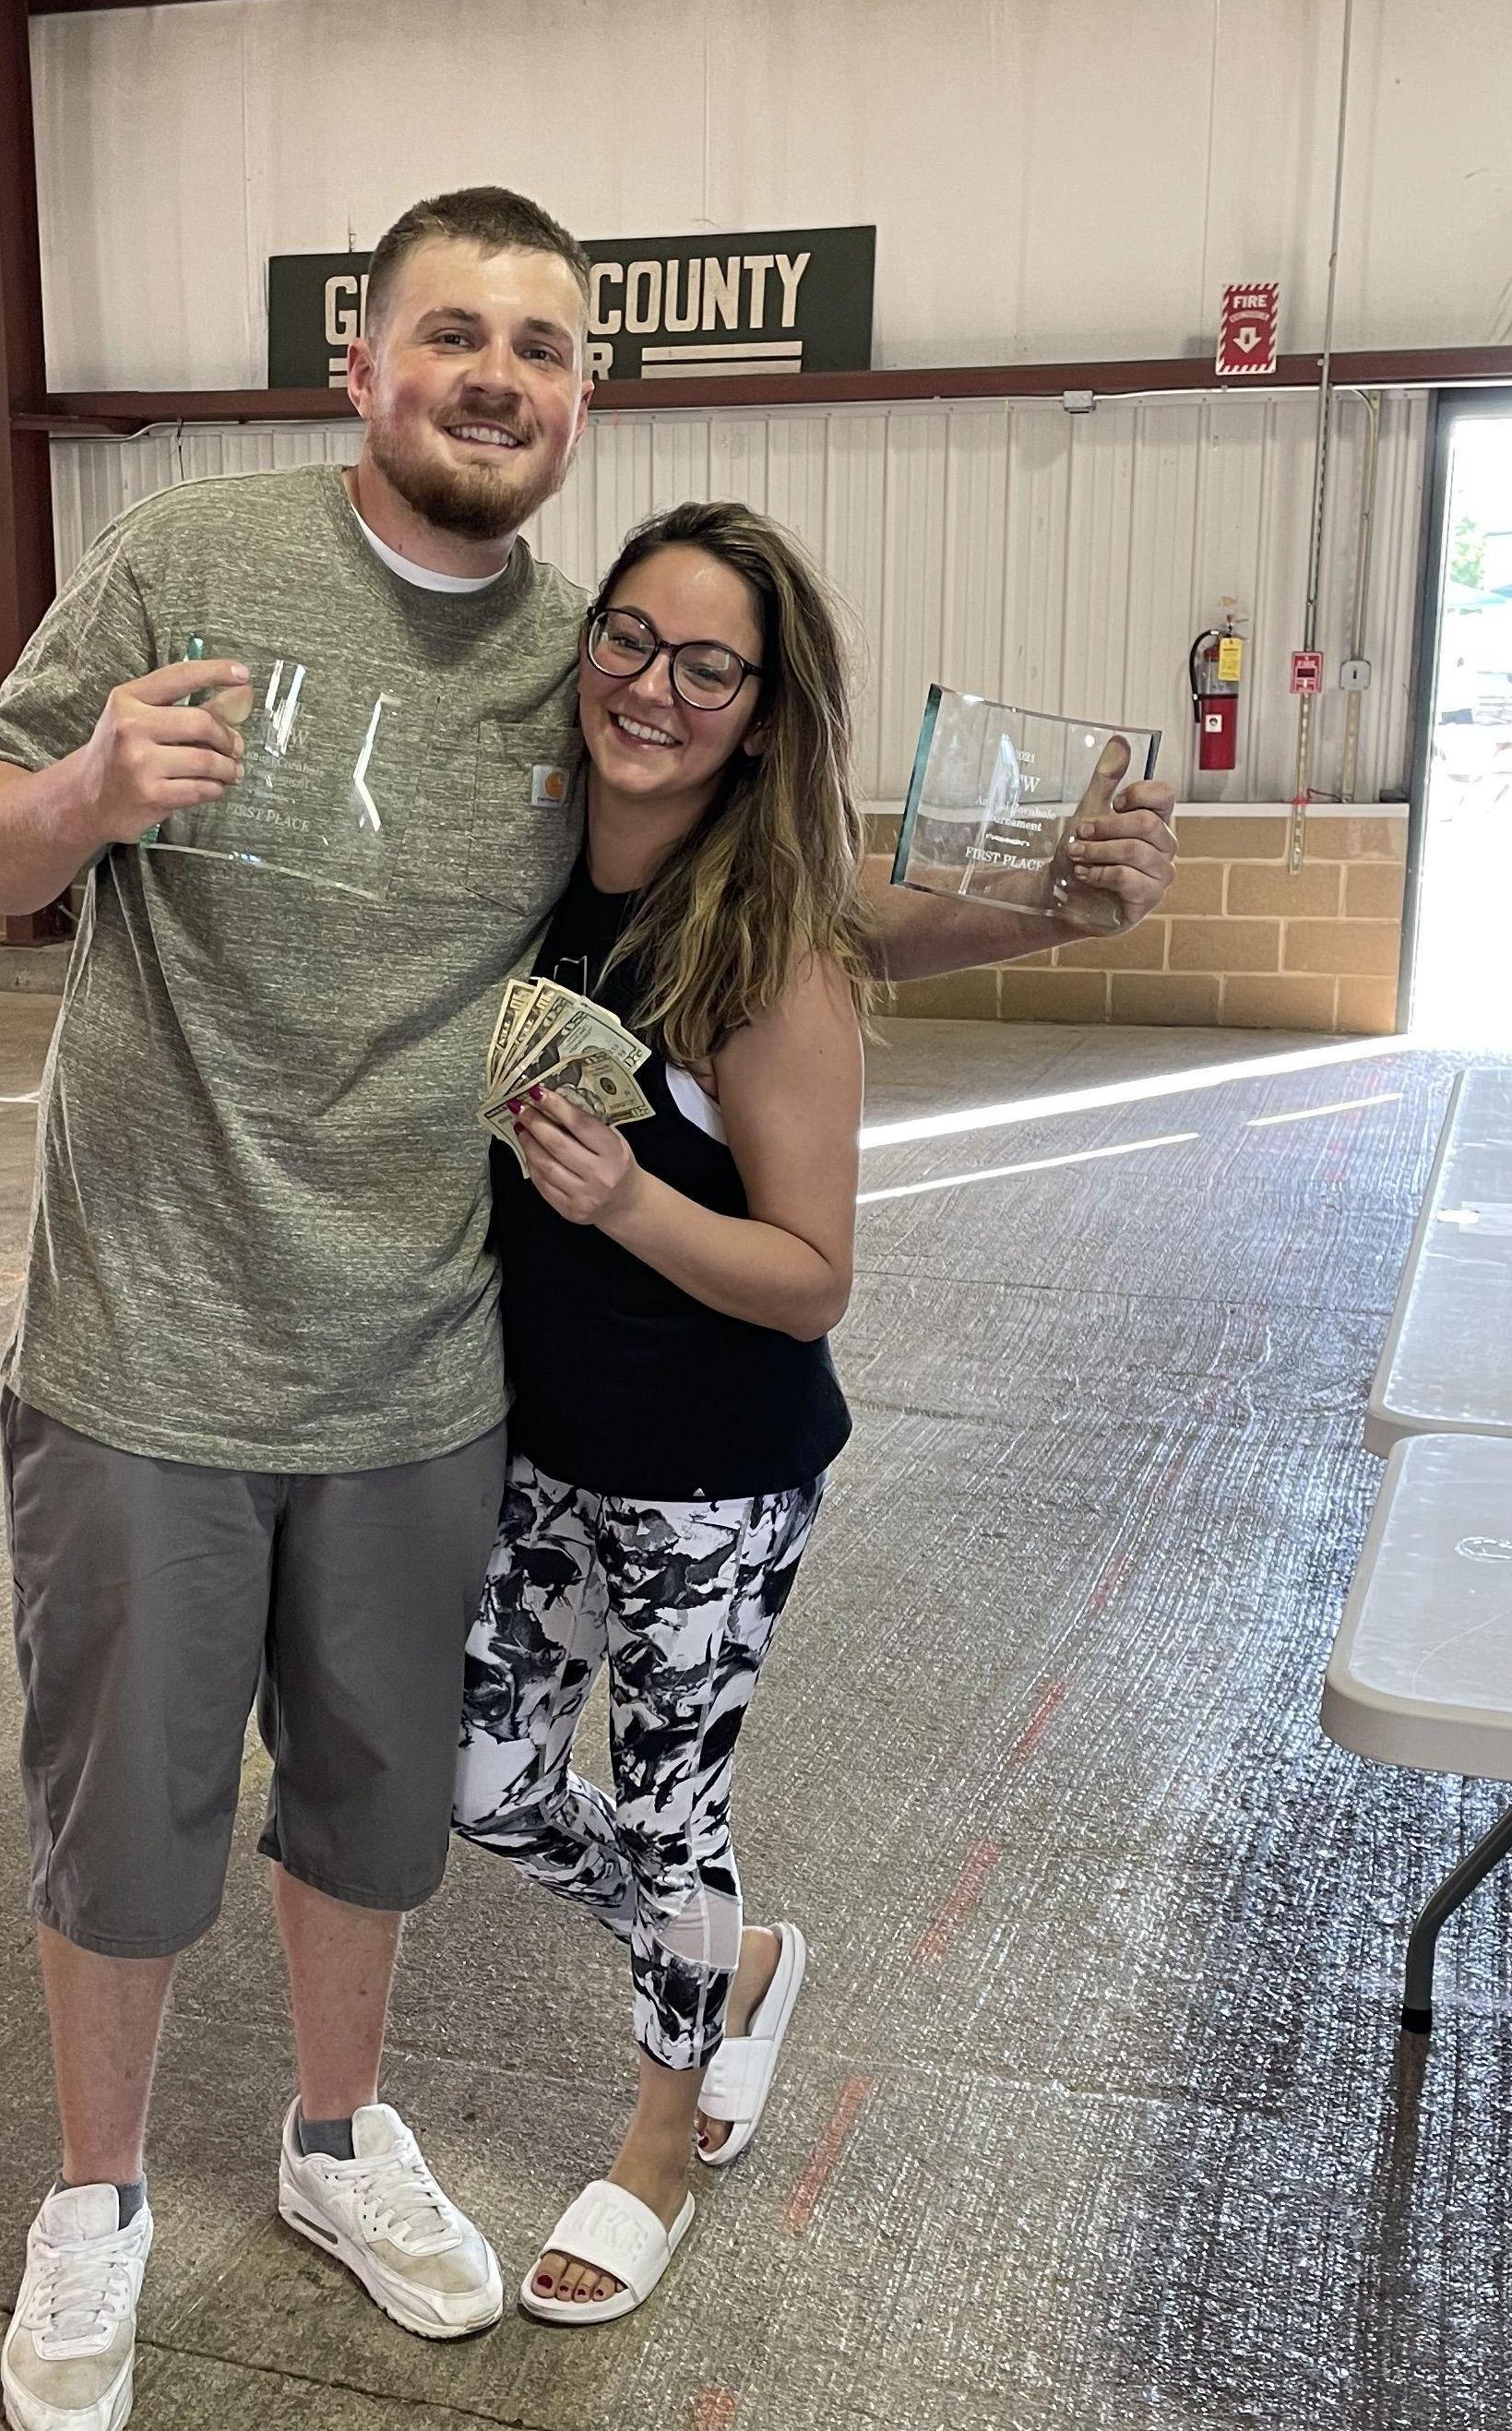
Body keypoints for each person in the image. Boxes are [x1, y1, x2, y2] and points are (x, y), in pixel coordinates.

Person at [0, 185, 1176, 2431]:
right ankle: (92, 2202)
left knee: (381, 1806)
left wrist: (1039, 918)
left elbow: (806, 910)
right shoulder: (184, 563)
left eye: (542, 346)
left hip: (424, 1366)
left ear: (581, 398)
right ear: (361, 363)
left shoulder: (575, 654)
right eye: (452, 334)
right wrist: (92, 788)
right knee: (123, 1818)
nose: (496, 375)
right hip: (149, 1339)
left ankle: (334, 2142)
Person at [451, 501, 865, 2322]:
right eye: (629, 636)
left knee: (668, 1805)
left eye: (710, 664)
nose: (654, 685)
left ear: (759, 712)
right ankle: (736, 1959)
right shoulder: (520, 879)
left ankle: (649, 2146)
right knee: (479, 1787)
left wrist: (625, 1200)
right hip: (534, 1446)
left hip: (708, 1472)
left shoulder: (760, 950)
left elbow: (810, 1272)